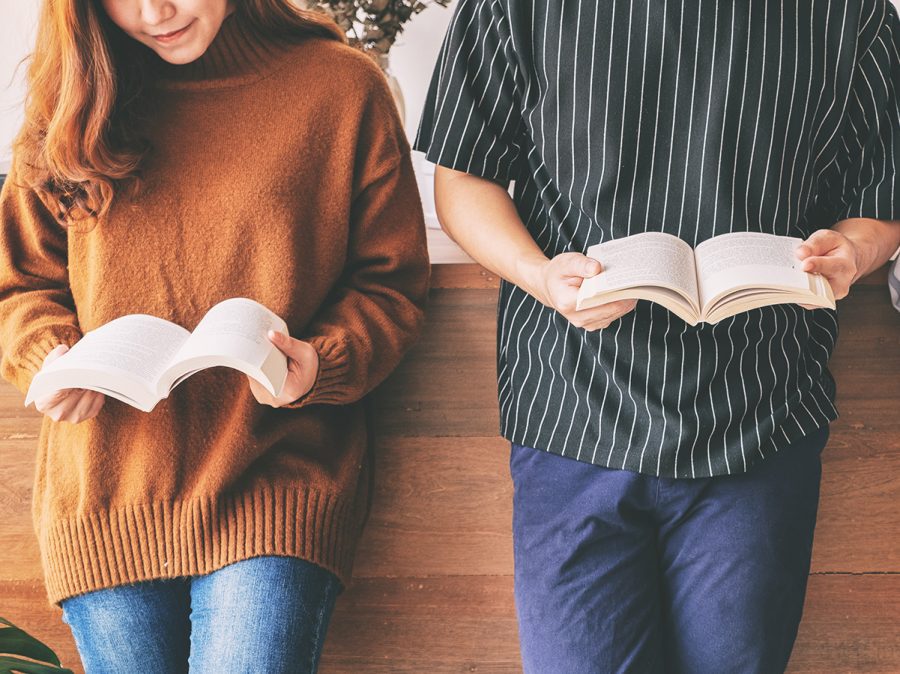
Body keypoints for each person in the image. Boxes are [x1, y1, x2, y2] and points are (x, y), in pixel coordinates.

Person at [416, 0, 900, 672]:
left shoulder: (852, 13)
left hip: (760, 414)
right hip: (572, 412)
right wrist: (539, 274)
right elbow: (463, 175)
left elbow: (881, 200)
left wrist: (850, 250)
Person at [0, 0, 429, 671]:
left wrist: (322, 364)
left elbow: (390, 283)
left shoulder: (341, 88)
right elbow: (21, 284)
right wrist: (48, 355)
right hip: (106, 494)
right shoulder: (71, 100)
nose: (154, 11)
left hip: (274, 480)